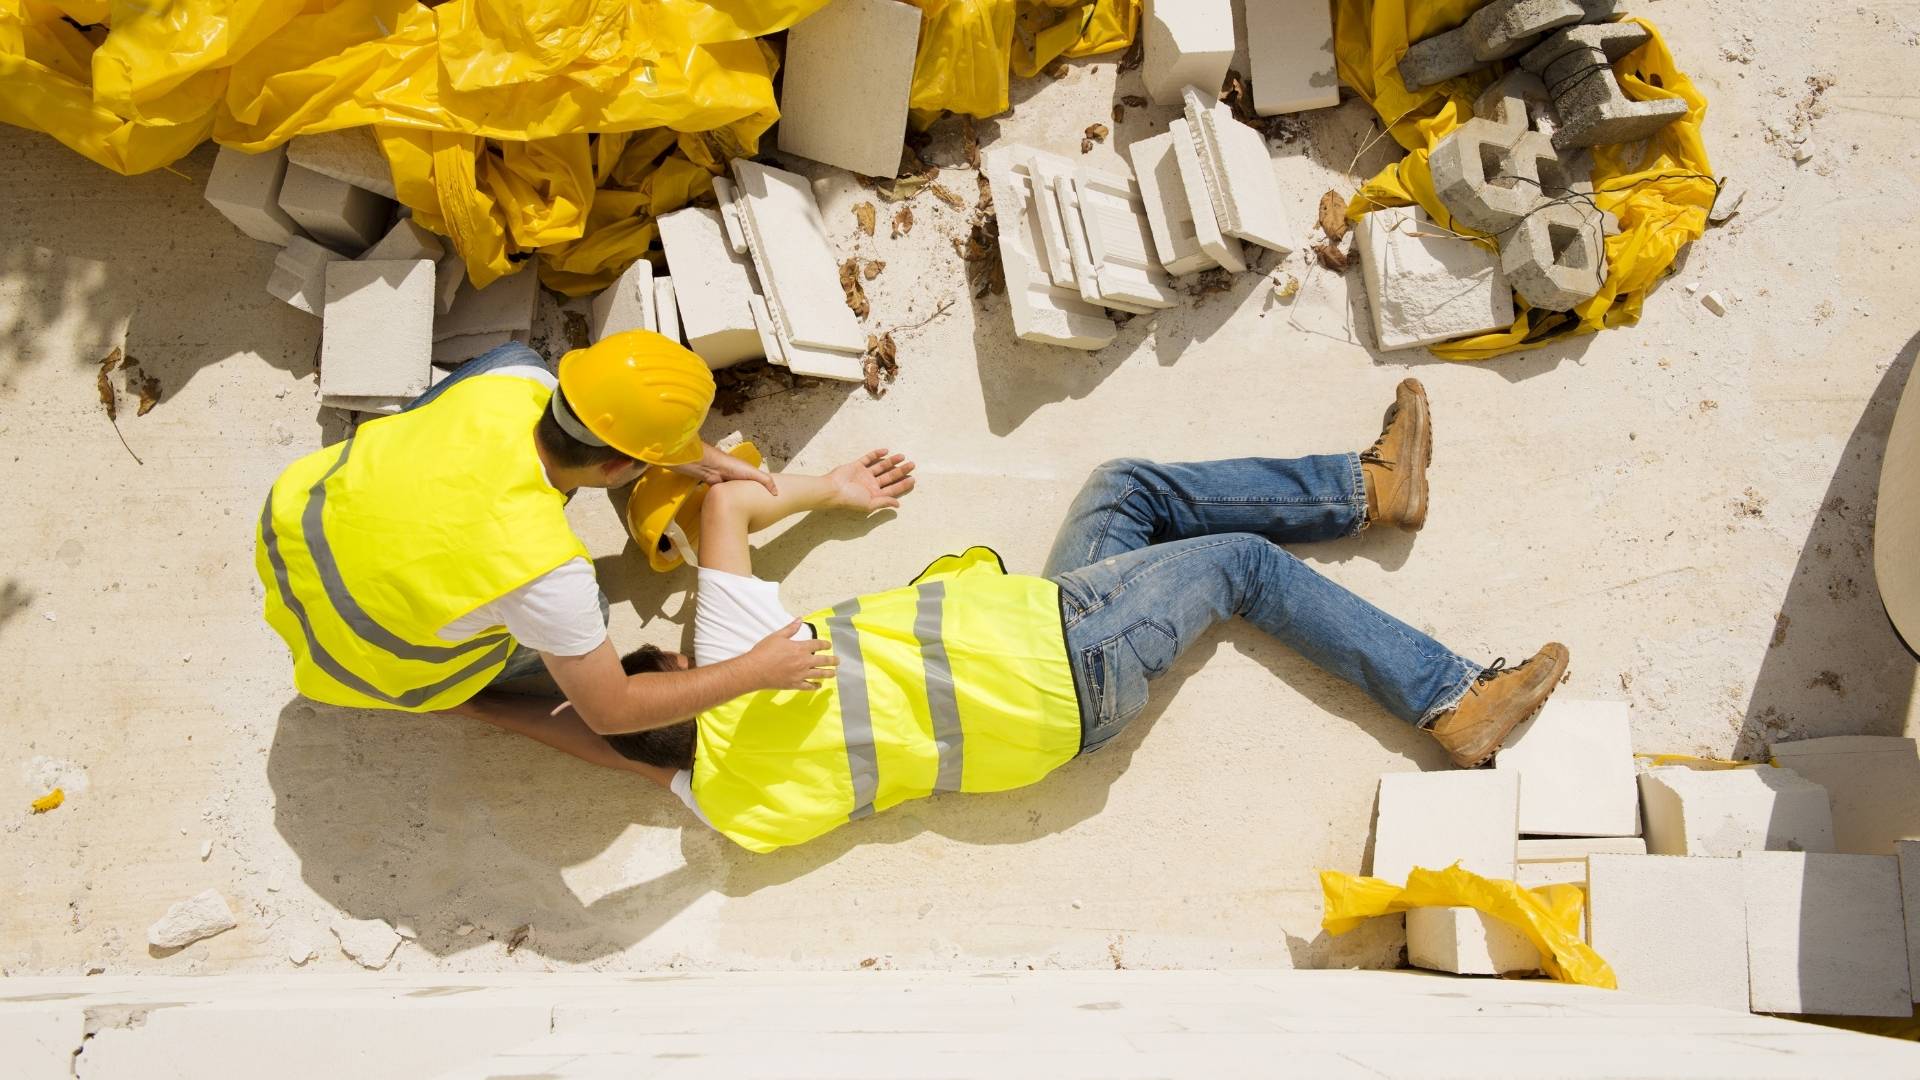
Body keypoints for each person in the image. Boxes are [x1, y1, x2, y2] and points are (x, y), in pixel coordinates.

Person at [575, 379, 1571, 853]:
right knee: (1241, 567)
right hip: (1061, 652)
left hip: (1048, 684)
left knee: (1124, 489)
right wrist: (831, 487)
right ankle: (1451, 699)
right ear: (676, 663)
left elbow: (610, 741)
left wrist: (463, 710)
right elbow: (723, 503)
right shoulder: (737, 655)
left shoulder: (733, 809)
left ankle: (1369, 489)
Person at [254, 330, 836, 744]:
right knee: (591, 612)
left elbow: (595, 417)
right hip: (363, 661)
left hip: (292, 537)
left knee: (510, 351)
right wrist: (756, 671)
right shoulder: (546, 572)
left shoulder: (514, 382)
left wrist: (700, 460)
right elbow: (611, 712)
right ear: (617, 468)